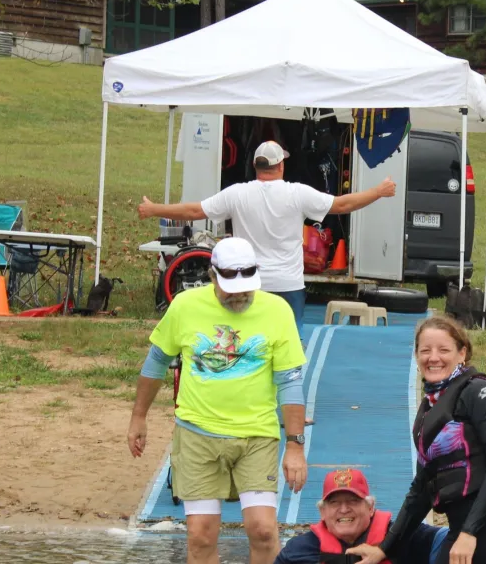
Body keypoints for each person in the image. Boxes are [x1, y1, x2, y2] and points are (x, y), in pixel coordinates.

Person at [128, 237, 308, 564]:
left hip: (256, 435)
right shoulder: (185, 306)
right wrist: (139, 417)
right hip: (198, 434)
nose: (239, 294)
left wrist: (295, 446)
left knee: (264, 531)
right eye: (230, 287)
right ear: (212, 276)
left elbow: (290, 382)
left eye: (246, 288)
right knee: (200, 534)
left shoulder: (277, 311)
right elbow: (155, 362)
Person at [138, 140, 398, 331]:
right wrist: (378, 191)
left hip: (250, 283)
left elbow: (195, 210)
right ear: (281, 165)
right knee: (290, 349)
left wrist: (153, 209)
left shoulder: (237, 193)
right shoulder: (298, 193)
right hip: (288, 285)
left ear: (254, 165)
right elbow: (342, 205)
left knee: (249, 342)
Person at [346, 316, 486, 564]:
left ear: (462, 353)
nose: (433, 357)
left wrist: (470, 533)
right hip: (462, 530)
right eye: (425, 350)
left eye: (443, 350)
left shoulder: (480, 392)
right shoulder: (430, 407)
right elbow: (421, 488)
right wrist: (385, 548)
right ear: (416, 356)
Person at [274, 468, 450, 564]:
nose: (344, 509)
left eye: (353, 501)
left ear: (371, 507)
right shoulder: (298, 551)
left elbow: (453, 540)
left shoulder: (404, 536)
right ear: (322, 512)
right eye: (334, 503)